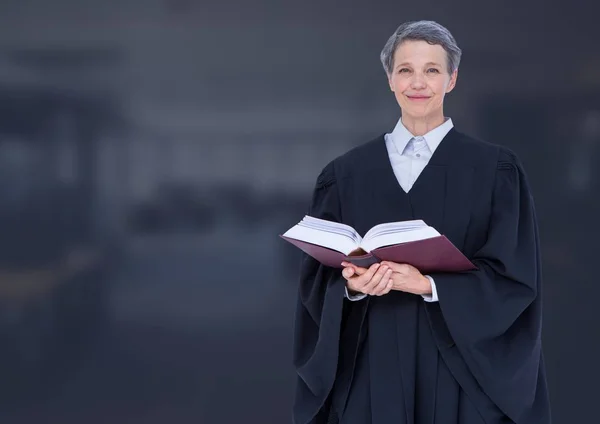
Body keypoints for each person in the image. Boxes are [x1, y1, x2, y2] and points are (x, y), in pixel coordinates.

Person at [292, 20, 551, 424]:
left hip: (461, 377)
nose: (419, 82)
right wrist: (351, 287)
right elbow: (314, 282)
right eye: (405, 70)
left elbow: (515, 279)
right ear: (390, 79)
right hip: (370, 369)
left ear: (452, 79)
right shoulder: (344, 175)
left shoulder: (495, 170)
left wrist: (428, 284)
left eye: (432, 69)